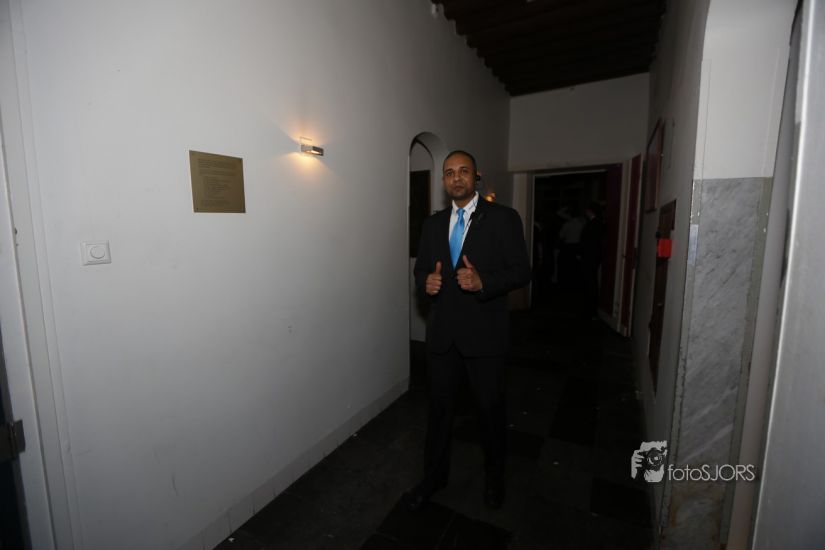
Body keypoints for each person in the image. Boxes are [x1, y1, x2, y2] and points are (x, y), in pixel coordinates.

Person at [408, 150, 531, 512]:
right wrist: (425, 283)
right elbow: (421, 271)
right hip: (443, 336)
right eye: (449, 173)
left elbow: (521, 271)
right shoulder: (433, 224)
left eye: (463, 171)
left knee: (489, 413)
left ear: (476, 176)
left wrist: (483, 282)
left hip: (485, 336)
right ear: (444, 181)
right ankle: (434, 477)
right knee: (439, 413)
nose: (456, 178)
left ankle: (494, 482)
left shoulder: (504, 218)